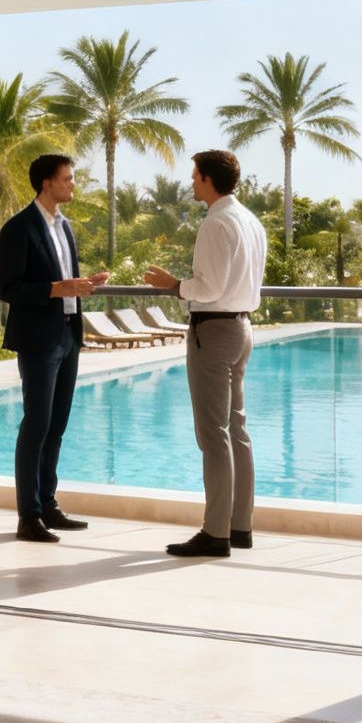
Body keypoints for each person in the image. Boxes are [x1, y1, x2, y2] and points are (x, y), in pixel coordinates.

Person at [142, 150, 267, 558]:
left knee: (213, 435)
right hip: (242, 328)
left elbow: (208, 288)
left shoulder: (216, 223)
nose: (191, 182)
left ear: (209, 179)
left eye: (195, 176)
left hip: (213, 332)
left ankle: (215, 534)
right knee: (237, 430)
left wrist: (173, 285)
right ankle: (239, 526)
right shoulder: (250, 221)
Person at [0, 154, 109, 544]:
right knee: (36, 424)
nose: (73, 185)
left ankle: (47, 503)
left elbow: (63, 280)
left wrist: (83, 285)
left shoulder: (65, 227)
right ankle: (28, 516)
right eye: (68, 179)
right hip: (38, 340)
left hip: (67, 335)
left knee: (57, 425)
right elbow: (8, 289)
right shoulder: (18, 228)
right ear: (47, 183)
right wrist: (58, 289)